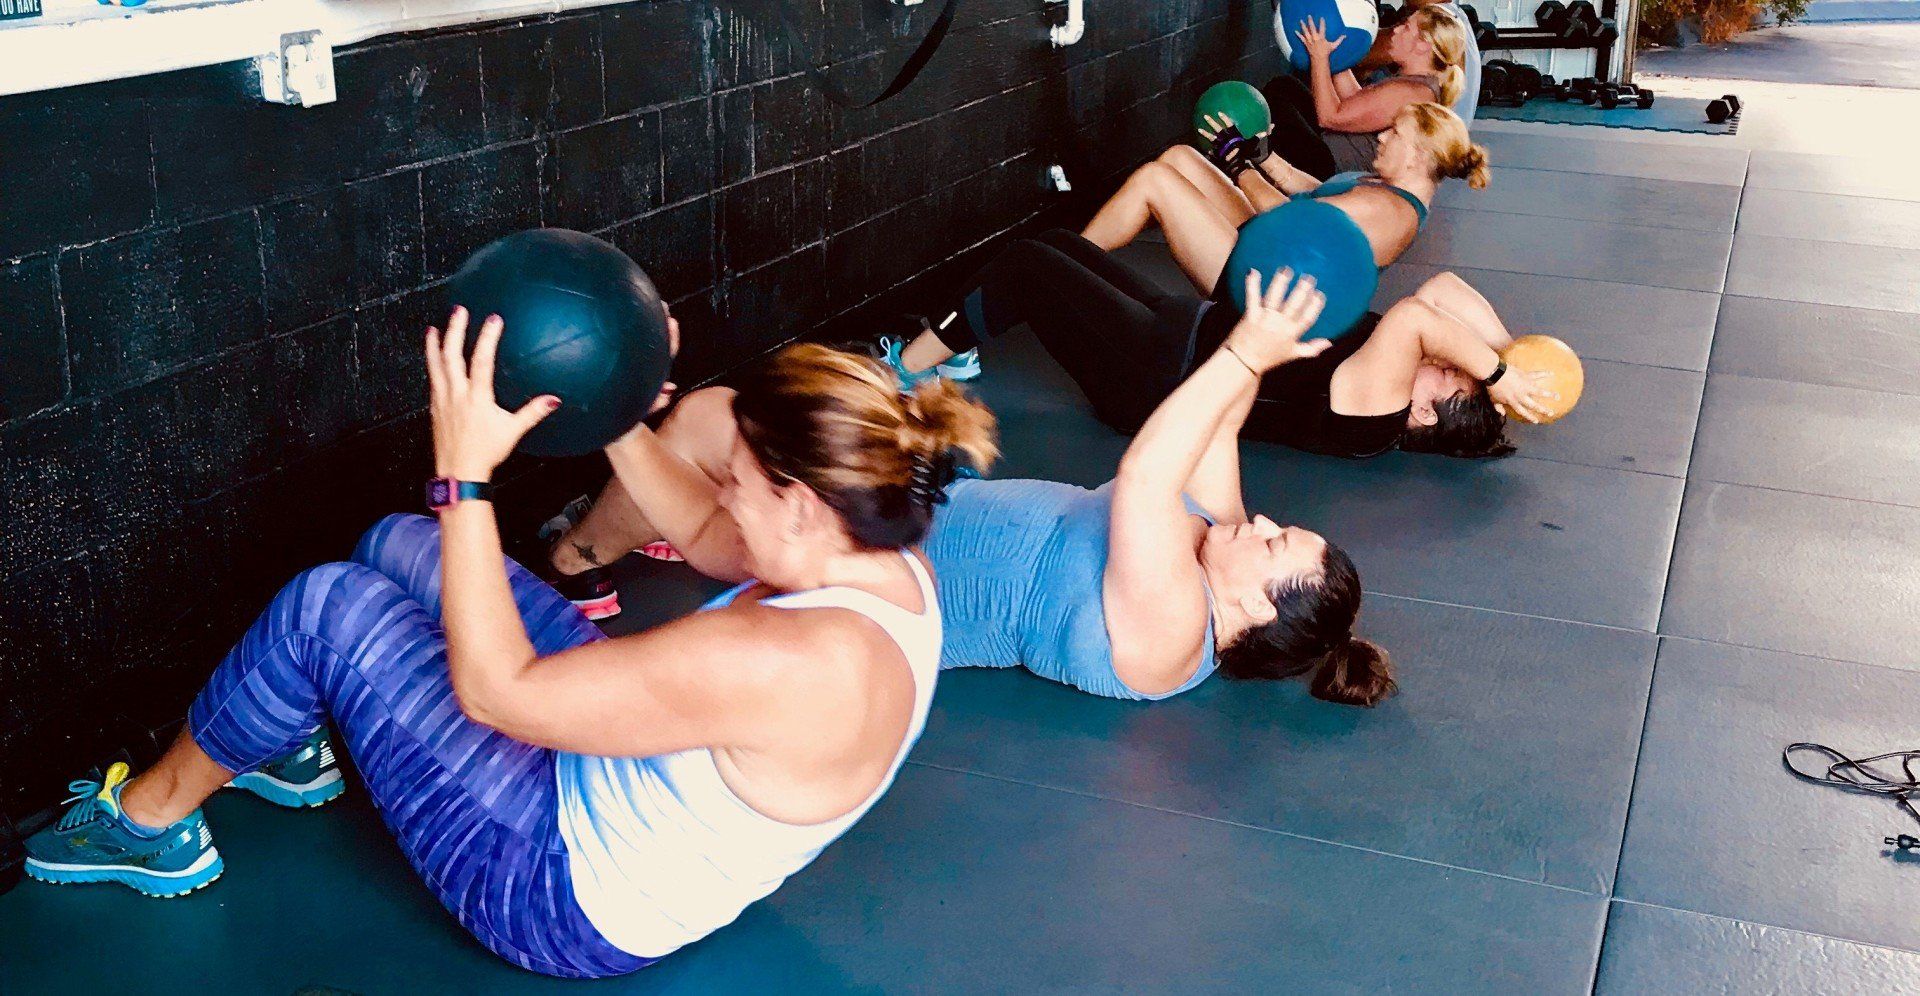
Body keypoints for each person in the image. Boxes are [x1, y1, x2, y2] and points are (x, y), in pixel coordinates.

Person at [22, 310, 997, 980]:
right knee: (399, 546)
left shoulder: (787, 663)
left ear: (798, 498)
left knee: (331, 609)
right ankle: (286, 733)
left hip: (555, 889)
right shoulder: (881, 554)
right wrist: (617, 411)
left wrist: (466, 479)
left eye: (739, 475)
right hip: (609, 778)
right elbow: (706, 533)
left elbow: (498, 694)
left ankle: (146, 828)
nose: (723, 490)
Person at [551, 273, 1397, 706]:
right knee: (715, 428)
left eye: (1279, 543)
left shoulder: (1174, 633)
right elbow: (1215, 427)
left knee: (710, 448)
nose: (1267, 522)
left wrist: (1244, 358)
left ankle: (581, 549)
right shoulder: (1219, 541)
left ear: (1252, 614)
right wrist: (1266, 334)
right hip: (906, 506)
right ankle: (618, 484)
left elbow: (1146, 473)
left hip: (873, 579)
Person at [883, 229, 1551, 459]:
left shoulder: (1375, 417)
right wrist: (1512, 356)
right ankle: (956, 344)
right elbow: (1444, 288)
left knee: (1031, 268)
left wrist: (1493, 375)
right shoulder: (1399, 375)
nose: (1447, 363)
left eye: (1451, 380)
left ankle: (896, 373)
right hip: (1183, 329)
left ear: (1426, 414)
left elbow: (1417, 314)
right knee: (1062, 248)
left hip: (1154, 377)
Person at [1080, 101, 1488, 297]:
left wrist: (1241, 168)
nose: (1381, 136)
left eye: (1394, 133)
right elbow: (1311, 189)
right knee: (1179, 159)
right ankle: (1076, 252)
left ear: (1418, 155)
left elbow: (1289, 225)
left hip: (1262, 285)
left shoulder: (1388, 211)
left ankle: (1069, 259)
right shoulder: (1384, 186)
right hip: (1266, 249)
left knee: (1155, 180)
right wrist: (1264, 156)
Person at [1267, 7, 1472, 178]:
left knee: (1277, 101)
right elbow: (1355, 102)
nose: (1396, 30)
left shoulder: (1410, 93)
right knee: (1285, 87)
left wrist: (1320, 58)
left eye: (1406, 27)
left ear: (1422, 45)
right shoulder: (1418, 83)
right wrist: (1337, 56)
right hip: (1332, 146)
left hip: (1330, 166)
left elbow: (1329, 117)